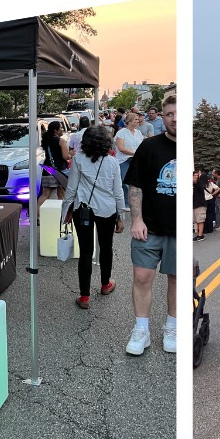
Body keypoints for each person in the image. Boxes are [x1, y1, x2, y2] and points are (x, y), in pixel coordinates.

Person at [123, 92, 177, 355]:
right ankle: (141, 330)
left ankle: (172, 327)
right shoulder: (149, 146)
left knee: (176, 279)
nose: (174, 119)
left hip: (179, 229)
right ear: (163, 117)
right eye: (169, 114)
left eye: (178, 114)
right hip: (149, 226)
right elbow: (136, 185)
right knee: (142, 277)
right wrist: (136, 219)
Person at [63, 125, 127, 309]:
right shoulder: (113, 162)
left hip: (83, 208)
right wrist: (121, 216)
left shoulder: (78, 160)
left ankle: (84, 296)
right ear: (106, 142)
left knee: (85, 252)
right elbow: (118, 193)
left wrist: (65, 211)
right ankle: (105, 284)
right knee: (106, 247)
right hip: (107, 210)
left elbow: (72, 188)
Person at [114, 111, 145, 206]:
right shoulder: (121, 132)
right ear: (130, 121)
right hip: (124, 160)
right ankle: (126, 203)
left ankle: (137, 202)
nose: (138, 121)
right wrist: (135, 153)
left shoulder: (138, 133)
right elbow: (121, 148)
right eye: (135, 119)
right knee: (125, 182)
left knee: (137, 182)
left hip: (136, 160)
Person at [42, 119, 70, 199]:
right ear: (55, 130)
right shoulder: (61, 141)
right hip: (59, 170)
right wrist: (71, 154)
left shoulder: (46, 140)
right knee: (61, 194)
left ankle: (37, 211)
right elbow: (65, 157)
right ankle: (61, 211)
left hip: (47, 169)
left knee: (45, 194)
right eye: (60, 128)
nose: (62, 130)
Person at [192, 168, 208, 241]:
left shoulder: (199, 182)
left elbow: (199, 187)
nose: (196, 177)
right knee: (197, 220)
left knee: (200, 220)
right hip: (195, 204)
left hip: (200, 205)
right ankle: (199, 234)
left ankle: (200, 235)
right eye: (194, 175)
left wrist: (195, 181)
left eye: (197, 175)